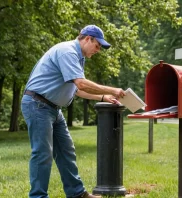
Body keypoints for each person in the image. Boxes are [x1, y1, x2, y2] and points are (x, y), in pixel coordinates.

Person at [21, 25, 126, 198]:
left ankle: (77, 194)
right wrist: (113, 90)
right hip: (38, 104)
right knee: (42, 153)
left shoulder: (79, 58)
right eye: (97, 46)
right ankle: (38, 196)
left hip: (53, 108)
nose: (98, 50)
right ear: (87, 39)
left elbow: (76, 89)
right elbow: (82, 84)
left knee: (66, 150)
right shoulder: (67, 51)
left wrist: (103, 97)